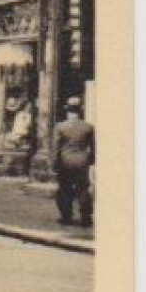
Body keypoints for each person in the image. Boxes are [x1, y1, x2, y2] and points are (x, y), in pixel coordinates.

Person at [53, 96, 95, 227]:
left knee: (65, 189)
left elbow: (56, 147)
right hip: (82, 161)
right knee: (83, 189)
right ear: (80, 110)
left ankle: (67, 216)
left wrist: (55, 162)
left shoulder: (61, 127)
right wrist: (91, 160)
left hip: (66, 161)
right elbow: (94, 147)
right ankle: (85, 216)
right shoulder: (88, 127)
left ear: (67, 109)